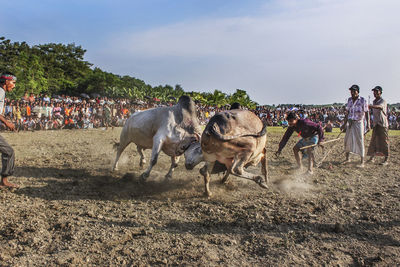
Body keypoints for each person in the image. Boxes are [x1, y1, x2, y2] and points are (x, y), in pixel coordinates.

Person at [340, 84, 370, 167]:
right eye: (351, 91)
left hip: (359, 122)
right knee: (347, 140)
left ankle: (362, 161)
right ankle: (347, 158)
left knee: (360, 140)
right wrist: (344, 124)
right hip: (350, 122)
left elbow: (367, 112)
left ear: (358, 92)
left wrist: (369, 124)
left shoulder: (363, 100)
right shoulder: (349, 100)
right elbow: (347, 113)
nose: (352, 93)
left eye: (354, 91)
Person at [0, 72, 18, 188]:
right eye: (13, 82)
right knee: (8, 151)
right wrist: (6, 122)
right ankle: (4, 181)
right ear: (6, 82)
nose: (14, 85)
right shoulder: (0, 91)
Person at [367, 86, 389, 165]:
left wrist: (370, 106)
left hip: (382, 124)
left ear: (380, 92)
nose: (374, 93)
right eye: (374, 92)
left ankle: (386, 159)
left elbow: (380, 107)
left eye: (376, 91)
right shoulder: (374, 101)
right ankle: (372, 157)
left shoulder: (382, 101)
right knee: (374, 140)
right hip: (376, 124)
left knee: (384, 141)